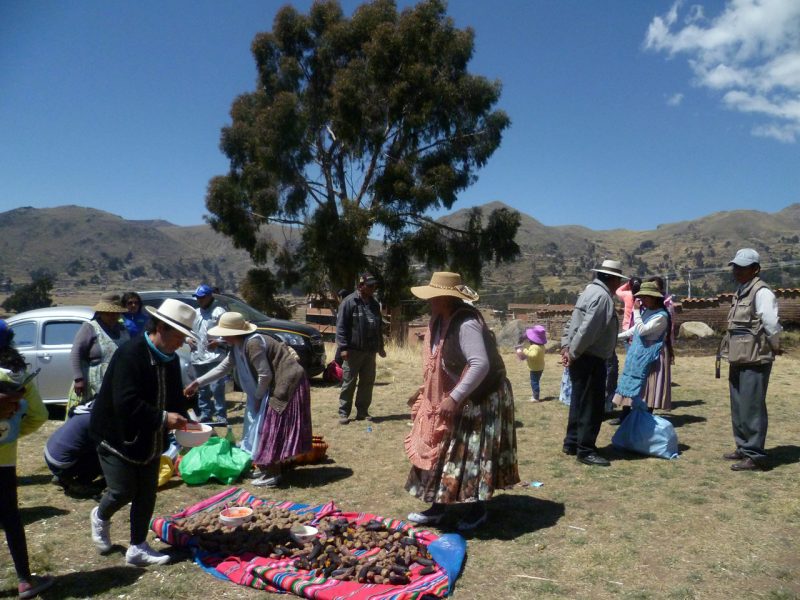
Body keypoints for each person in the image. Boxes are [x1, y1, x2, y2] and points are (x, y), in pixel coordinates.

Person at [404, 272, 519, 531]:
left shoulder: (466, 324)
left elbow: (480, 364)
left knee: (474, 452)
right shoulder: (439, 320)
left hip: (483, 396)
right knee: (444, 449)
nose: (429, 301)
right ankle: (438, 507)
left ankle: (477, 509)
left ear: (446, 298)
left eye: (434, 296)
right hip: (460, 394)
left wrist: (454, 397)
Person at [89, 298, 195, 566]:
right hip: (116, 434)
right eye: (178, 337)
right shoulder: (130, 354)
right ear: (160, 328)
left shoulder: (171, 359)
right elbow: (125, 402)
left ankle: (137, 547)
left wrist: (189, 420)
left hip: (150, 435)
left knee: (147, 491)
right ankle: (100, 516)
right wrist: (163, 417)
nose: (181, 343)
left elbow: (174, 397)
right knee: (123, 490)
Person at [184, 311, 312, 488]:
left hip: (288, 382)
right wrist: (197, 383)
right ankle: (267, 466)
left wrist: (258, 398)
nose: (222, 337)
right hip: (273, 385)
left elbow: (265, 375)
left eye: (225, 333)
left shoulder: (253, 343)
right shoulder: (236, 346)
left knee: (270, 428)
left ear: (234, 333)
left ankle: (273, 473)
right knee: (262, 427)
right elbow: (223, 368)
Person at [0, 320, 54, 599]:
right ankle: (25, 580)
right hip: (4, 459)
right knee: (10, 517)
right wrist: (11, 435)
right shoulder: (18, 376)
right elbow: (40, 416)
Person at [720, 248, 782, 471]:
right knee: (738, 405)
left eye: (743, 267)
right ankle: (743, 447)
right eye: (735, 266)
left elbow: (771, 323)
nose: (737, 271)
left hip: (756, 357)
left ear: (755, 269)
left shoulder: (762, 292)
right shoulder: (741, 291)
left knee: (752, 406)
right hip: (739, 356)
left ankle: (755, 455)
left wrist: (775, 346)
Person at [561, 259, 625, 467]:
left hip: (581, 355)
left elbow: (572, 323)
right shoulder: (602, 297)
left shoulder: (588, 292)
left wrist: (566, 347)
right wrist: (573, 352)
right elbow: (588, 330)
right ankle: (586, 449)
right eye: (618, 280)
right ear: (612, 279)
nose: (619, 285)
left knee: (579, 401)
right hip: (590, 357)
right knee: (591, 405)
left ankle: (572, 443)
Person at [613, 281, 673, 419]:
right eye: (641, 297)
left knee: (648, 389)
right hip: (640, 354)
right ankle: (627, 417)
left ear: (654, 298)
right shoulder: (647, 312)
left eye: (645, 297)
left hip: (652, 357)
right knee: (635, 386)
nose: (642, 300)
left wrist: (636, 311)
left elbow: (642, 330)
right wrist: (616, 337)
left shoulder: (661, 316)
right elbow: (634, 330)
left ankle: (644, 419)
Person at [67, 292, 130, 417]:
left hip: (118, 378)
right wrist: (78, 379)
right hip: (95, 381)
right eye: (108, 313)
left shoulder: (123, 329)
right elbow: (76, 352)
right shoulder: (90, 328)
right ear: (101, 312)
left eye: (116, 313)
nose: (112, 316)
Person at [335, 273, 386, 424]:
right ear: (360, 286)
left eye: (374, 286)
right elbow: (341, 326)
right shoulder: (349, 302)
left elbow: (378, 327)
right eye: (370, 285)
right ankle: (344, 412)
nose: (373, 288)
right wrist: (343, 348)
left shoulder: (374, 304)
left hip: (370, 351)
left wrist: (380, 347)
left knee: (367, 382)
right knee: (349, 382)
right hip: (353, 351)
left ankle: (362, 412)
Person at [44, 403, 103, 497]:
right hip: (61, 463)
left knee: (83, 447)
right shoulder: (95, 419)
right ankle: (79, 485)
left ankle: (62, 477)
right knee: (101, 457)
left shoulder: (81, 411)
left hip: (49, 454)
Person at [188, 284, 228, 425]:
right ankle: (205, 414)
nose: (199, 300)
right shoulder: (195, 313)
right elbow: (187, 331)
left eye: (202, 297)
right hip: (198, 357)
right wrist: (188, 339)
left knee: (217, 387)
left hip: (214, 357)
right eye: (197, 297)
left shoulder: (219, 312)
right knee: (202, 388)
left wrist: (218, 341)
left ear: (210, 296)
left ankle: (221, 415)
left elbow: (227, 332)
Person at [516, 325, 547, 402]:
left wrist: (524, 350)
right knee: (536, 381)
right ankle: (535, 395)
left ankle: (536, 397)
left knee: (534, 382)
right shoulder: (541, 346)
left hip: (535, 368)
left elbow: (533, 355)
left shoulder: (534, 347)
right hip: (540, 367)